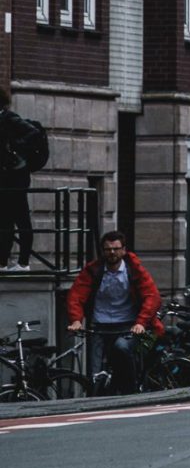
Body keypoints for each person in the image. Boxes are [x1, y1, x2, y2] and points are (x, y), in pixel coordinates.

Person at [66, 230, 160, 393]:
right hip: (99, 325)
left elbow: (152, 296)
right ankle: (96, 398)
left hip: (127, 325)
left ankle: (130, 393)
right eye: (108, 249)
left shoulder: (134, 270)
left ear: (124, 250)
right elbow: (76, 295)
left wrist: (140, 323)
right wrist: (76, 319)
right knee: (95, 372)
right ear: (103, 251)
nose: (112, 253)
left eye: (116, 249)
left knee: (122, 348)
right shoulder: (94, 271)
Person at [0, 90, 43, 268]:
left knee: (21, 218)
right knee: (6, 221)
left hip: (16, 177)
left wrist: (15, 147)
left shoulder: (8, 117)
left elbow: (33, 132)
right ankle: (2, 262)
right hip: (6, 176)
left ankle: (23, 263)